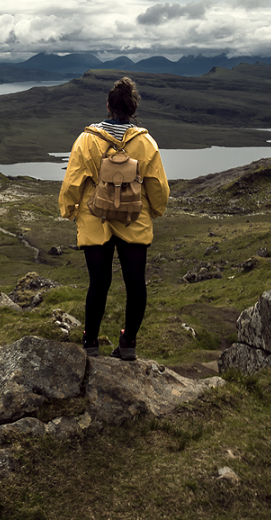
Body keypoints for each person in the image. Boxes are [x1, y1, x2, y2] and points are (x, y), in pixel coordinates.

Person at [58, 76, 169, 361]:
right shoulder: (145, 142)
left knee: (99, 282)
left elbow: (73, 181)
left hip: (96, 218)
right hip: (134, 217)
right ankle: (128, 343)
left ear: (108, 105)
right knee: (136, 283)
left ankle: (90, 343)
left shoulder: (87, 140)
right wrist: (155, 209)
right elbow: (157, 185)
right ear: (133, 108)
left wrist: (69, 210)